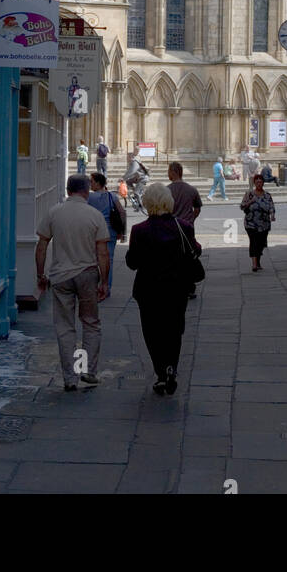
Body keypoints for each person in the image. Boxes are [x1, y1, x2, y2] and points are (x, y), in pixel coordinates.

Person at [125, 183, 201, 396]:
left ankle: (161, 372)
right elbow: (195, 250)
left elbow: (132, 263)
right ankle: (171, 368)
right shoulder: (183, 227)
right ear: (169, 202)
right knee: (174, 330)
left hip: (148, 290)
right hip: (177, 288)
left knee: (152, 331)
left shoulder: (139, 230)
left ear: (147, 204)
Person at [36, 176, 110, 391]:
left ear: (68, 191)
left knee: (65, 327)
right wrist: (104, 281)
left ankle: (70, 378)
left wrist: (40, 275)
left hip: (60, 277)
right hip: (87, 274)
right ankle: (86, 370)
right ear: (87, 191)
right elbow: (103, 253)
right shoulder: (95, 215)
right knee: (90, 323)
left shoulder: (54, 213)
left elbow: (41, 246)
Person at [167, 161, 203, 298]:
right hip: (188, 229)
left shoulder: (167, 190)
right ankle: (190, 287)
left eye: (169, 171)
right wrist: (191, 219)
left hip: (172, 228)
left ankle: (175, 285)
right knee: (188, 257)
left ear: (173, 172)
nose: (168, 173)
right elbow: (197, 208)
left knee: (173, 258)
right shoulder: (192, 189)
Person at [88, 170, 125, 294]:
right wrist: (122, 231)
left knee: (93, 260)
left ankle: (94, 287)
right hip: (110, 231)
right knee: (109, 259)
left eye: (92, 182)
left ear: (98, 183)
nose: (90, 184)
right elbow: (122, 213)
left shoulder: (89, 197)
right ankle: (106, 287)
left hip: (94, 232)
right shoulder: (112, 196)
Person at [240, 171, 275, 270]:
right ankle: (254, 264)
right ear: (254, 183)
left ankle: (258, 262)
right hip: (251, 223)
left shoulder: (267, 195)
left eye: (260, 182)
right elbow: (242, 206)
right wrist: (250, 202)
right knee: (254, 242)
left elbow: (271, 206)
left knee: (261, 244)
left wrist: (272, 215)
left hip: (264, 224)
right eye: (257, 182)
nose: (259, 183)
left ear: (263, 183)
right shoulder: (249, 194)